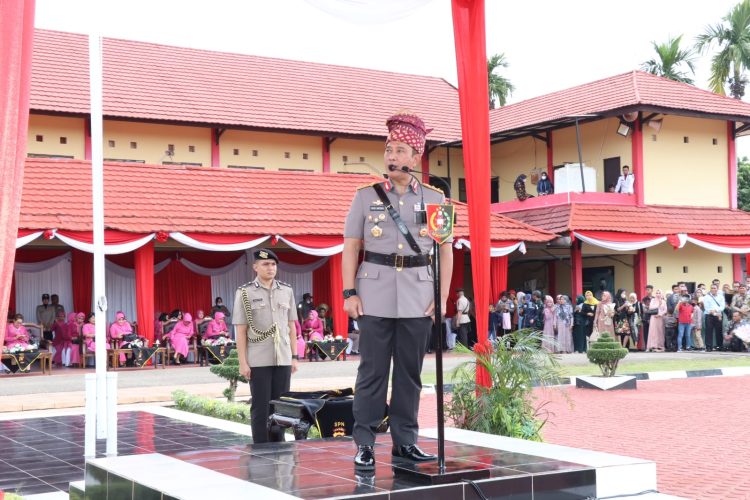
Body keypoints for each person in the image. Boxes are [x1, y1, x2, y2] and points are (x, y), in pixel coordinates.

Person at [342, 112, 452, 470]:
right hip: (373, 294)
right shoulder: (364, 197)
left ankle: (405, 442)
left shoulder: (437, 198)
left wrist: (442, 296)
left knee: (409, 373)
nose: (391, 156)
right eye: (388, 149)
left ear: (415, 157)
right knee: (372, 371)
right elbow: (350, 247)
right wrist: (348, 293)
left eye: (400, 150)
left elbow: (445, 250)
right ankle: (365, 442)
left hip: (419, 297)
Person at [233, 248, 297, 444]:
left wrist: (294, 357)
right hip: (258, 358)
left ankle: (278, 444)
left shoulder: (286, 291)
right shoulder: (245, 293)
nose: (270, 268)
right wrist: (242, 362)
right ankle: (261, 446)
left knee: (280, 406)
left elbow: (292, 326)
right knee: (261, 406)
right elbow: (241, 331)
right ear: (255, 267)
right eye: (265, 264)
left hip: (283, 356)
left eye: (273, 264)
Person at [703, 283, 725, 351]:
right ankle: (709, 347)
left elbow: (722, 306)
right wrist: (711, 311)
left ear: (717, 289)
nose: (713, 289)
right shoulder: (707, 297)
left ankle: (719, 346)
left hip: (718, 315)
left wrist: (715, 310)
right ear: (710, 289)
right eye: (712, 288)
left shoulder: (721, 297)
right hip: (709, 315)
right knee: (708, 331)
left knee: (719, 331)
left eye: (714, 288)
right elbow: (706, 307)